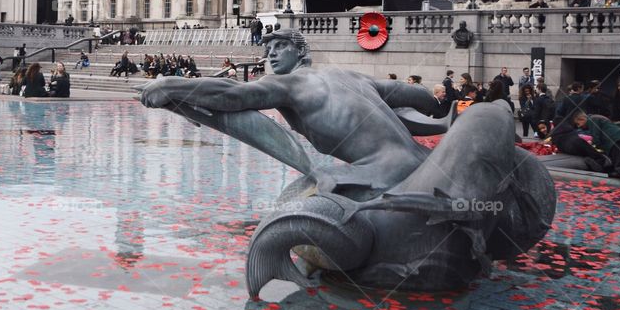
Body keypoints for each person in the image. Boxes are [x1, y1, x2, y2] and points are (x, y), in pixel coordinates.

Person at [140, 28, 441, 195]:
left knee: (298, 201)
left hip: (385, 177)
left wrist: (170, 85)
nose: (271, 54)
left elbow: (231, 95)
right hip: (427, 164)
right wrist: (435, 106)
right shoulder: (351, 76)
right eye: (268, 49)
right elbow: (415, 94)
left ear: (301, 52)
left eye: (281, 46)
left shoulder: (288, 85)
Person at [573, 112, 620, 183]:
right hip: (619, 138)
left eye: (578, 123)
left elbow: (596, 137)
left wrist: (592, 145)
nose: (579, 126)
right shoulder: (596, 117)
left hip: (613, 141)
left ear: (582, 119)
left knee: (619, 161)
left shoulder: (592, 120)